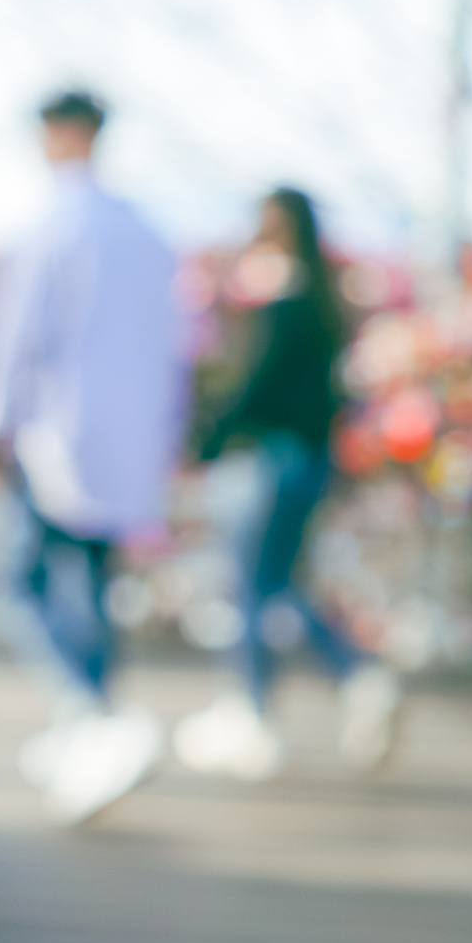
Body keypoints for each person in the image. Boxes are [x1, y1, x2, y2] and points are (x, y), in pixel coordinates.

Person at [0, 90, 188, 822]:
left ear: (59, 134)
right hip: (127, 441)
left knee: (24, 579)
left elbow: (15, 335)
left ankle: (90, 716)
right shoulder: (147, 233)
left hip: (54, 431)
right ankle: (90, 725)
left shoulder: (56, 223)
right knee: (90, 584)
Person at [176, 186, 399, 778]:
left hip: (268, 462)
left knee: (253, 588)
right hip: (309, 460)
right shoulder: (326, 304)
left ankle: (254, 715)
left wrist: (209, 440)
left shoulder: (284, 301)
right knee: (279, 585)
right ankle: (357, 676)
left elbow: (255, 384)